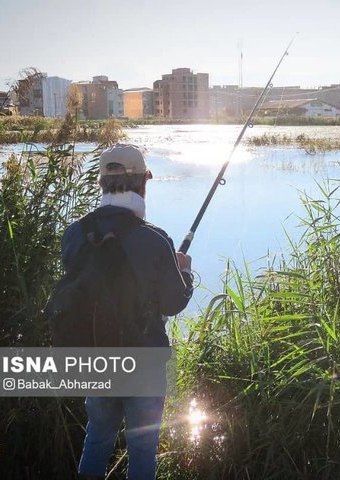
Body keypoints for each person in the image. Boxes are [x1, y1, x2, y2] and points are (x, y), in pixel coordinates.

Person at [60, 143, 193, 480]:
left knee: (98, 438)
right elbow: (173, 303)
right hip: (144, 361)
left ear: (101, 183)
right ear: (142, 184)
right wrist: (185, 272)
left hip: (97, 358)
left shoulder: (75, 234)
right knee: (143, 448)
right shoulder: (155, 239)